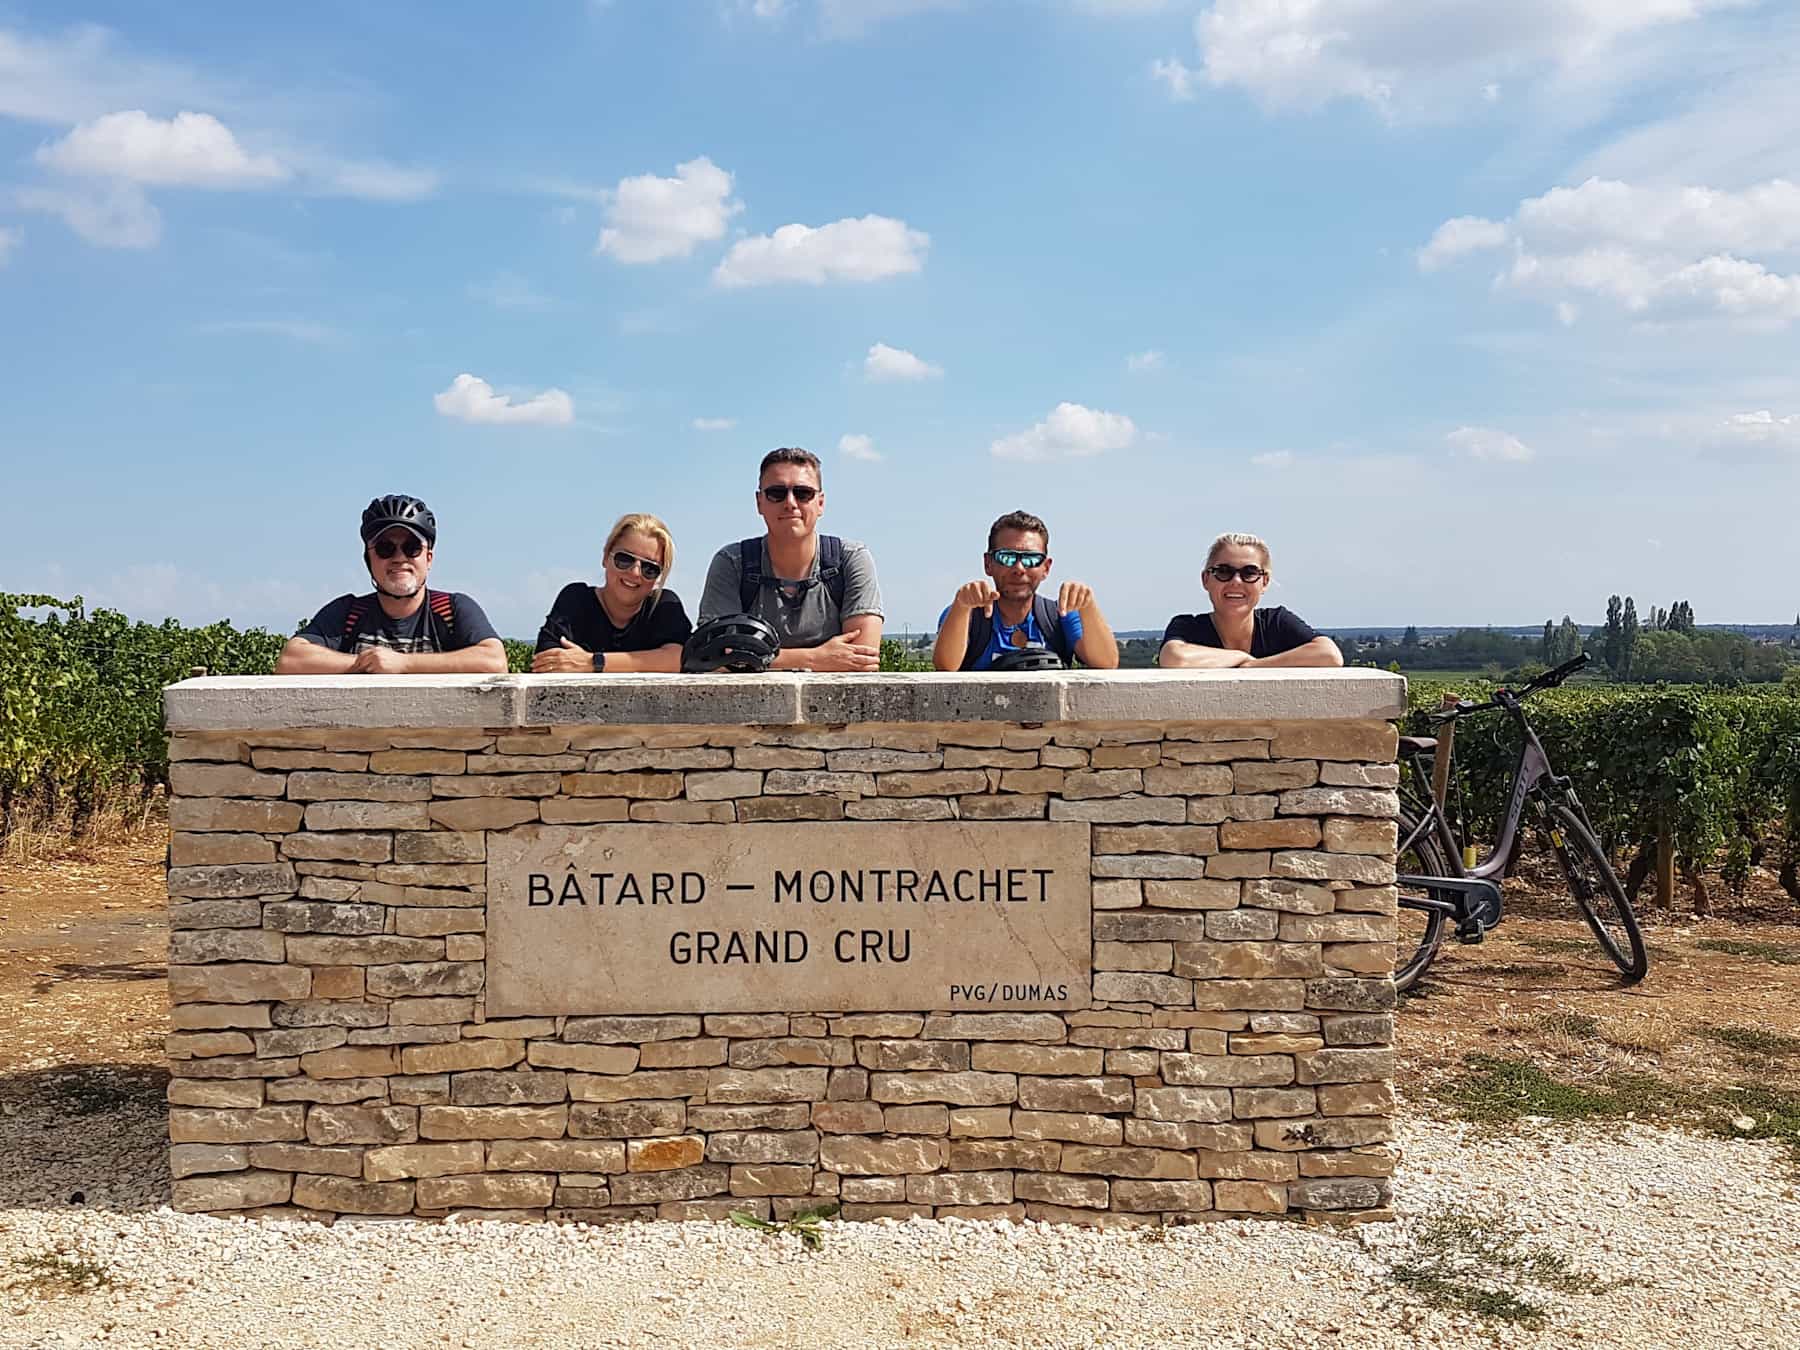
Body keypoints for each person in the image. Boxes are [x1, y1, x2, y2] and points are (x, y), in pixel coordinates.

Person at [698, 447, 884, 671]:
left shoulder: (850, 560)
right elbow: (714, 655)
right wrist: (815, 658)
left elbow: (863, 658)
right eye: (776, 493)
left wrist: (751, 656)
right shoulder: (732, 563)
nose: (790, 503)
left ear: (821, 503)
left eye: (803, 493)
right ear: (759, 502)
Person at [275, 494, 507, 674]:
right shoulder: (348, 613)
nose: (399, 558)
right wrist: (365, 662)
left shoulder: (452, 609)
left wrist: (403, 664)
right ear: (369, 559)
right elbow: (291, 660)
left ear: (428, 558)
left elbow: (494, 661)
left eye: (412, 547)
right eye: (385, 548)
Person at [933, 510, 1119, 670]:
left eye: (1031, 559)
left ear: (1046, 568)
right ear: (988, 564)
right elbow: (946, 666)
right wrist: (962, 606)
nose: (1019, 568)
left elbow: (1107, 663)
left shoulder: (1059, 617)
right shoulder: (967, 617)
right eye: (1007, 557)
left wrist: (1088, 607)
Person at [531, 513, 692, 673]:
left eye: (650, 568)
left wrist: (592, 662)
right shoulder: (576, 600)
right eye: (624, 559)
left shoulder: (663, 607)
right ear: (606, 557)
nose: (635, 572)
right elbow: (546, 661)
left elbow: (680, 658)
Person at [1158, 532, 1343, 669]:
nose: (1236, 581)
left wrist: (1253, 666)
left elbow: (1330, 655)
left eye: (1249, 573)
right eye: (1223, 571)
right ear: (1206, 579)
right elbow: (1174, 658)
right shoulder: (1188, 627)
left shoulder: (1277, 623)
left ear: (1264, 582)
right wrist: (1240, 656)